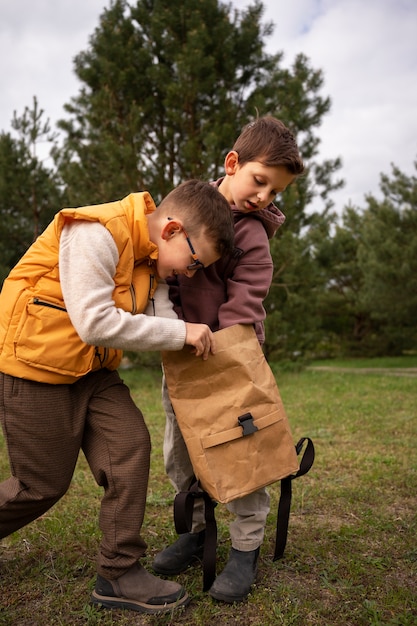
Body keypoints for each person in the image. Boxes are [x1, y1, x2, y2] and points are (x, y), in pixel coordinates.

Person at [0, 180, 235, 615]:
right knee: (41, 487)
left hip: (93, 372)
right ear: (171, 231)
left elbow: (160, 316)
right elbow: (94, 322)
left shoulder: (151, 260)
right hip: (36, 370)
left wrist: (197, 348)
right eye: (195, 261)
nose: (190, 273)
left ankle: (118, 572)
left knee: (130, 446)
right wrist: (183, 332)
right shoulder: (95, 232)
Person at [151, 117, 305, 603]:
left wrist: (213, 347)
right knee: (182, 455)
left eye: (275, 190)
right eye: (260, 181)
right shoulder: (188, 210)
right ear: (232, 163)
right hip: (181, 360)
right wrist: (173, 331)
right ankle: (196, 532)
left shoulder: (253, 236)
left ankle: (244, 548)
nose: (264, 196)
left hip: (230, 363)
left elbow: (245, 302)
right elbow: (165, 279)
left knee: (242, 456)